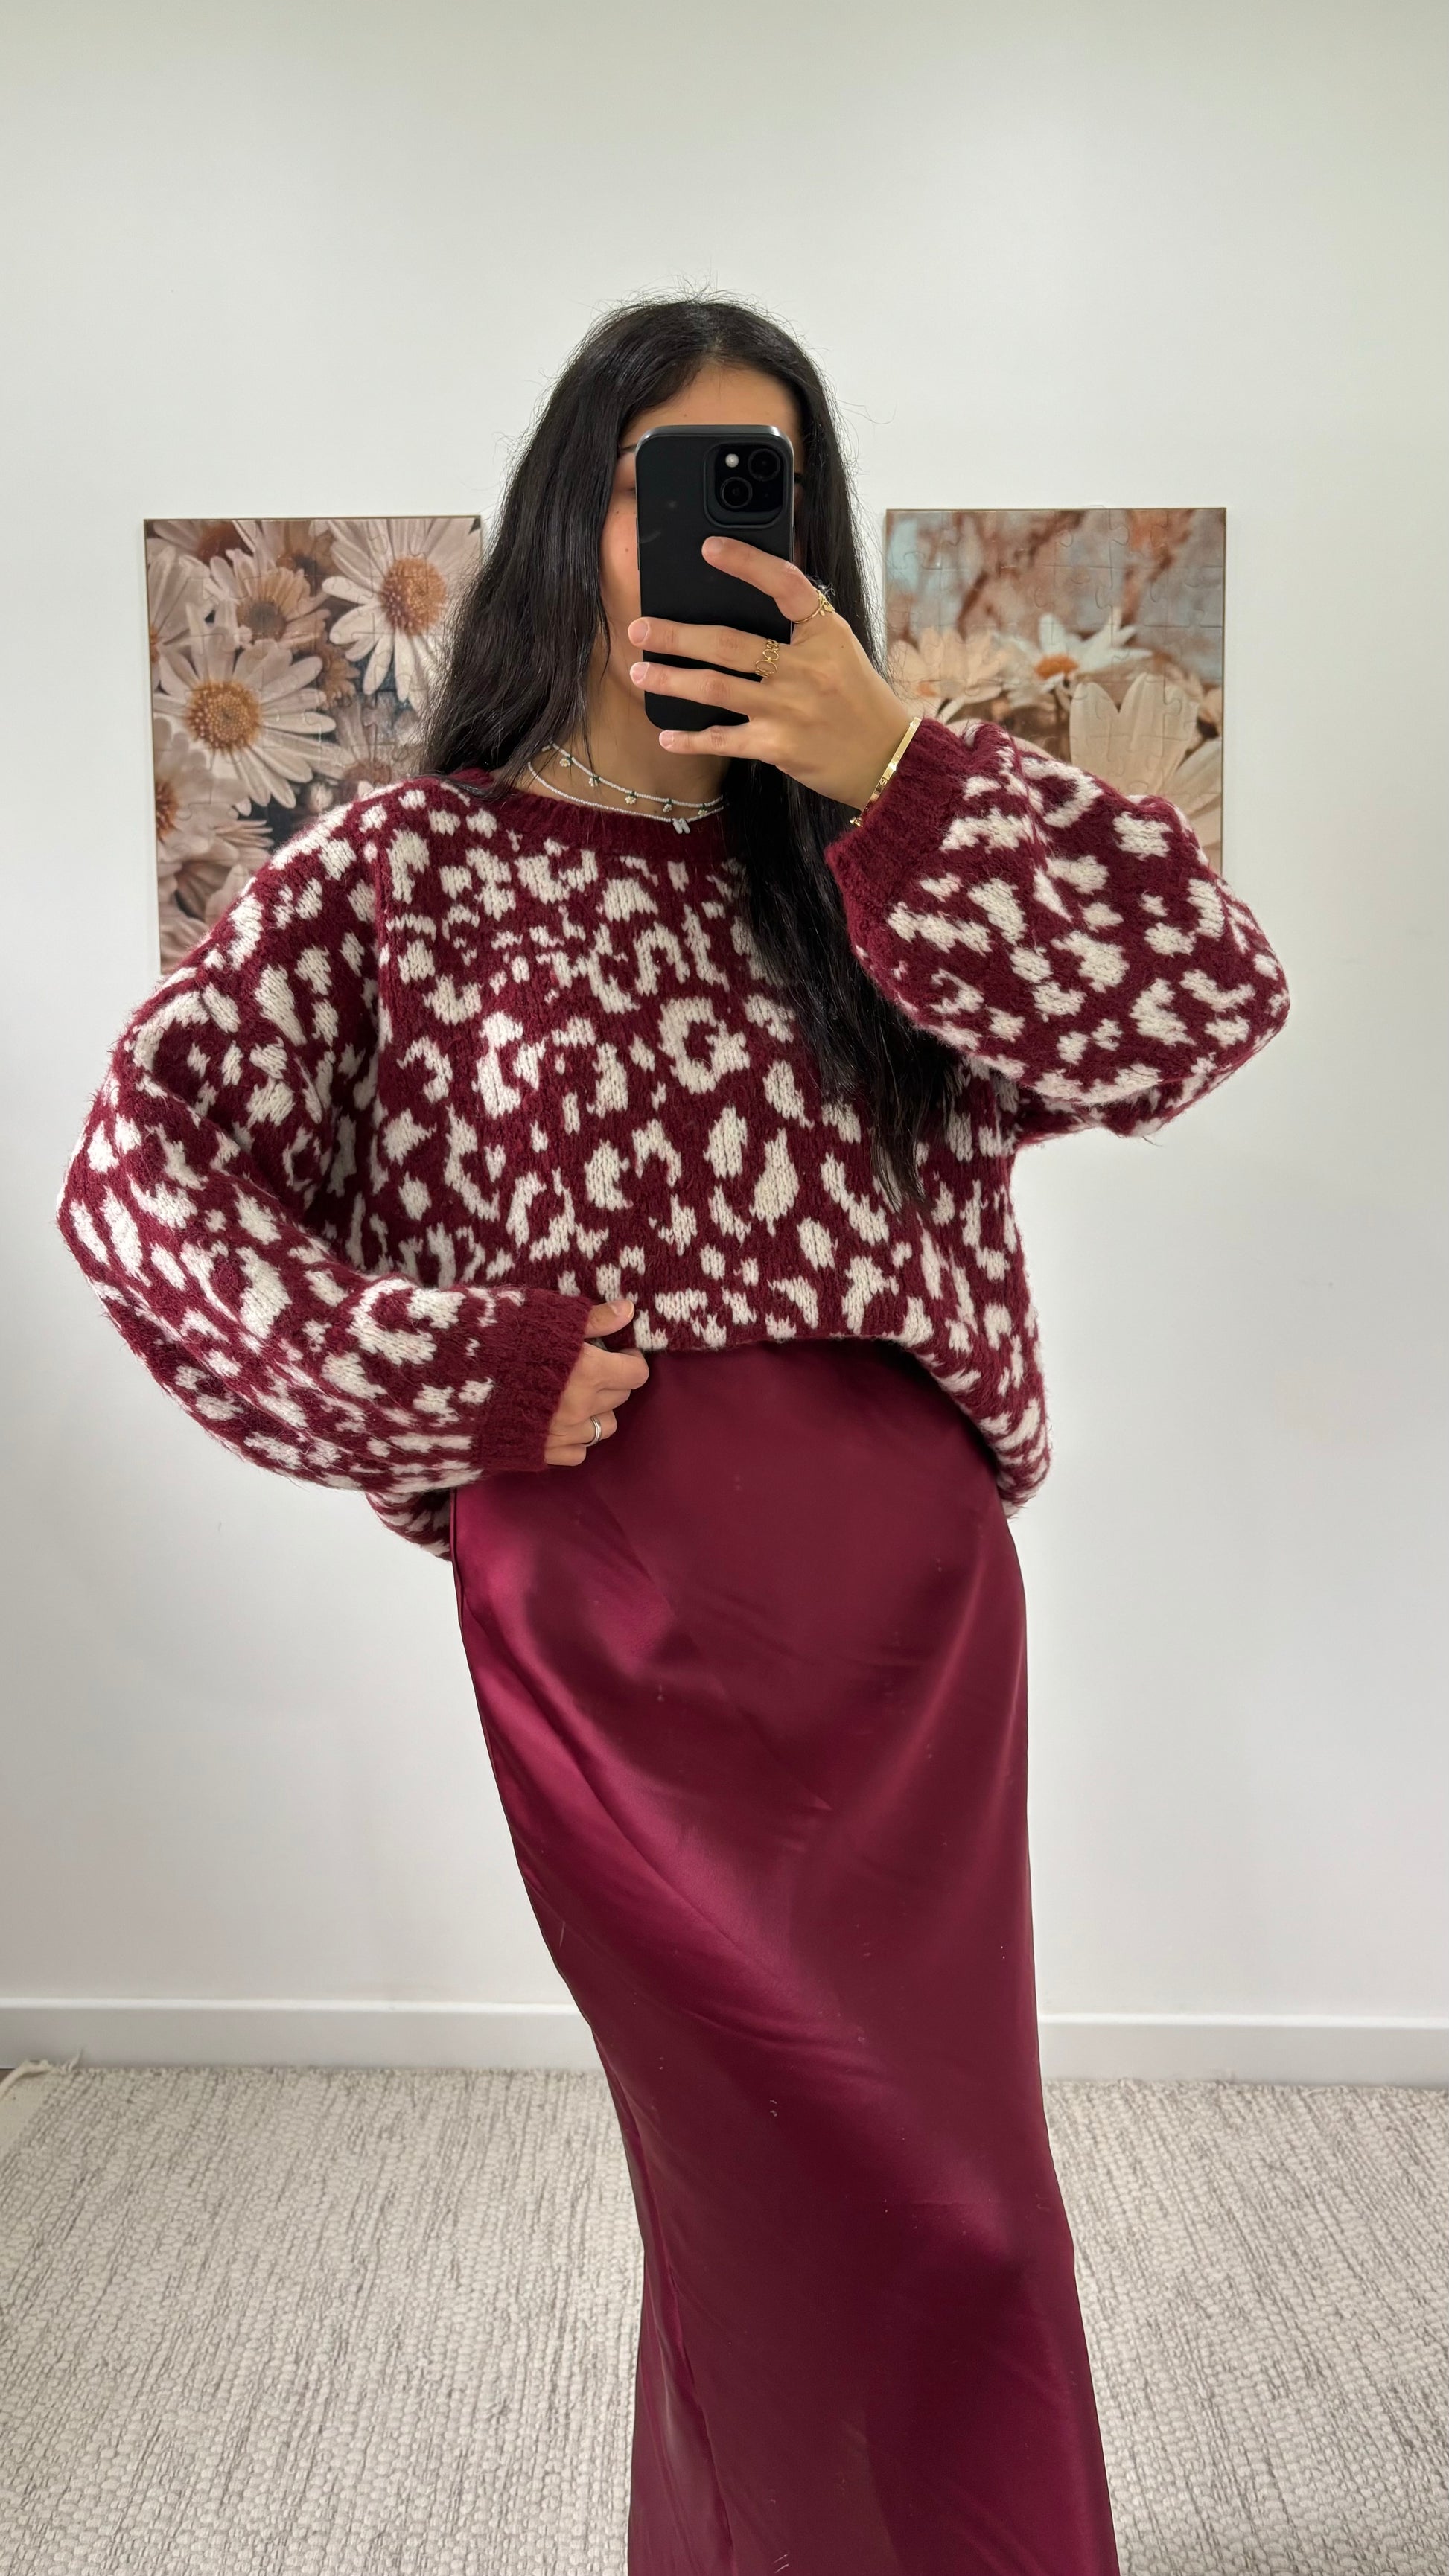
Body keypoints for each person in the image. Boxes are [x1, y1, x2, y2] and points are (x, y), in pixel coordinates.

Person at [57, 294, 1290, 2575]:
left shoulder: (878, 852)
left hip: (908, 1620)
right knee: (789, 2201)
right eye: (662, 485)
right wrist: (450, 1374)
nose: (713, 534)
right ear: (572, 518)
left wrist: (892, 761)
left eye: (763, 490)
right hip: (611, 1623)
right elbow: (140, 1186)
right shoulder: (403, 874)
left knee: (961, 2204)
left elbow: (1199, 998)